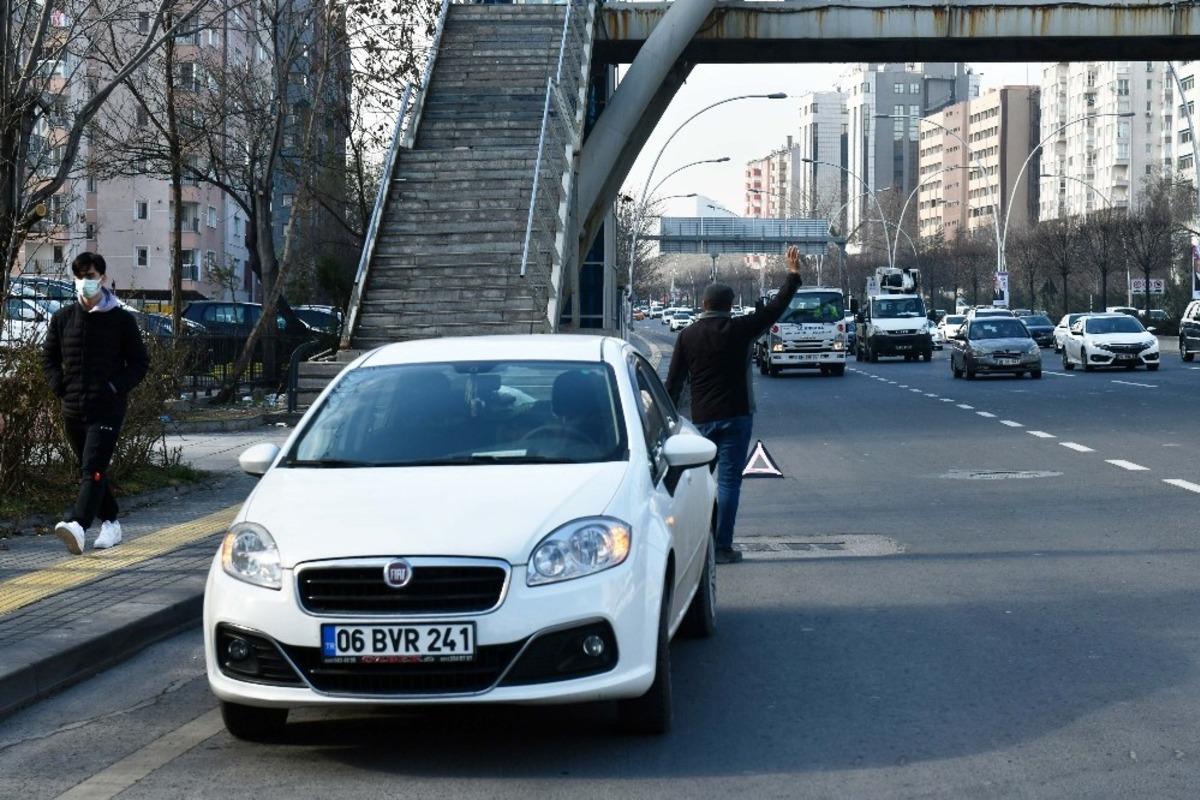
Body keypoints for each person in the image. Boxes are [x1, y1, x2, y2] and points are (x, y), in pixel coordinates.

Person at [666, 245, 803, 564]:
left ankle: (697, 545)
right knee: (729, 483)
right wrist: (792, 276)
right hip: (738, 416)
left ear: (703, 304)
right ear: (729, 306)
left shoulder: (688, 336)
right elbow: (774, 310)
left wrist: (669, 423)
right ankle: (723, 546)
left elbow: (673, 382)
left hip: (700, 421)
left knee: (698, 483)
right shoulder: (741, 330)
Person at [42, 252, 149, 554]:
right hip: (72, 408)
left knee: (93, 467)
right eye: (79, 276)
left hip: (107, 407)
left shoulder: (121, 320)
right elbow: (48, 358)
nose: (84, 282)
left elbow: (139, 363)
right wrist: (58, 385)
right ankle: (112, 522)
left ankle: (77, 525)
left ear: (102, 277)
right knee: (89, 468)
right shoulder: (62, 319)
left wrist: (116, 387)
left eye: (90, 276)